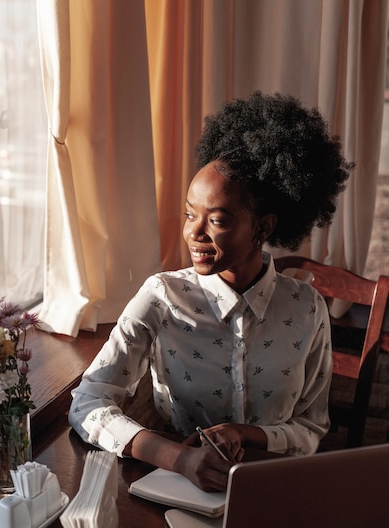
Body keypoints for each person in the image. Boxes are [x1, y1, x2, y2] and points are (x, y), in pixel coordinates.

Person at [69, 91, 352, 492]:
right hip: (178, 492)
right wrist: (179, 458)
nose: (193, 233)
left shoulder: (306, 309)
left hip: (274, 490)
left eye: (216, 220)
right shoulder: (162, 297)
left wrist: (247, 434)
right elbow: (87, 403)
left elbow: (310, 427)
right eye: (189, 213)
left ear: (264, 227)